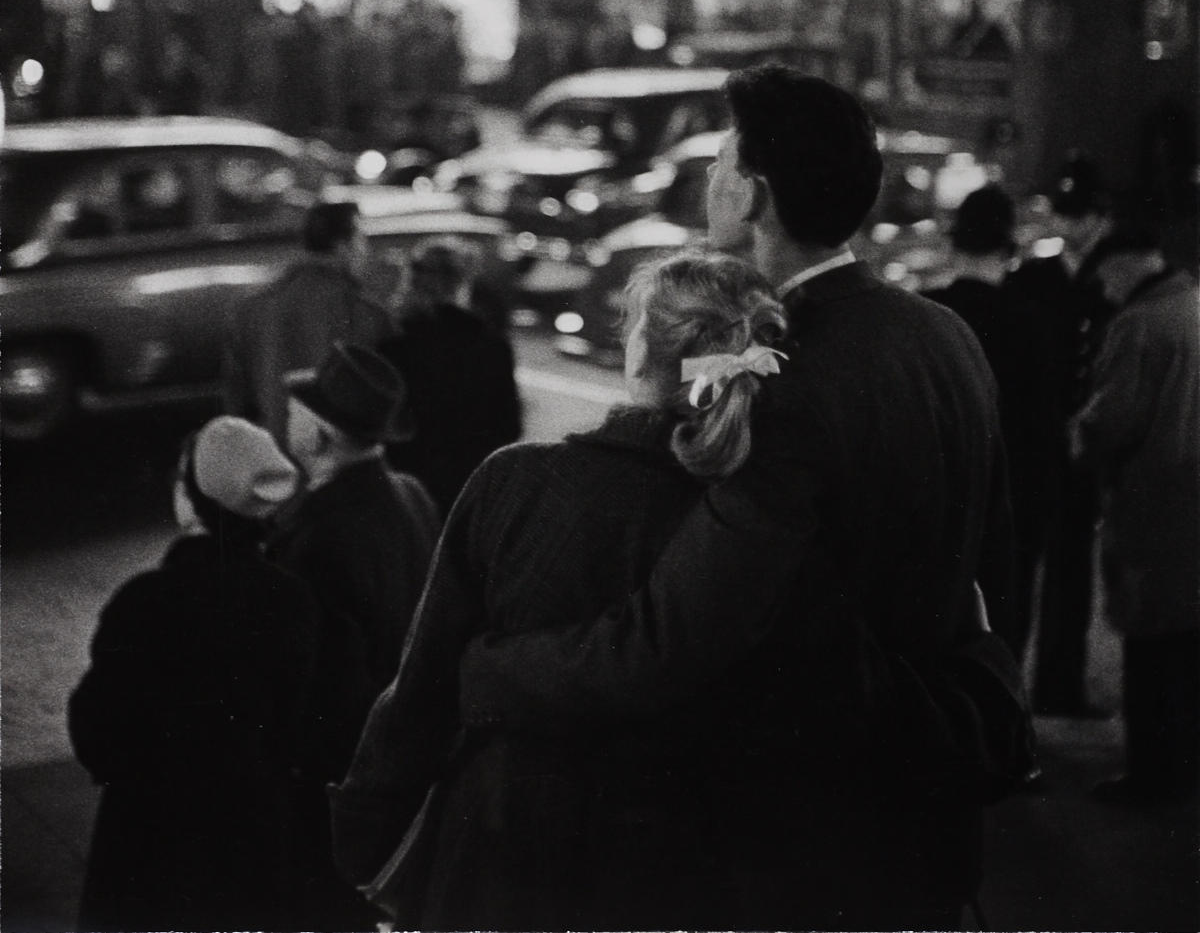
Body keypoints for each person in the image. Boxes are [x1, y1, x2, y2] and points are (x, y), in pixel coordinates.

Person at [453, 65, 1019, 929]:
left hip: (807, 843)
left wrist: (490, 671)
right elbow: (996, 570)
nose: (711, 177)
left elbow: (670, 638)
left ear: (751, 194)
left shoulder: (772, 385)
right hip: (935, 824)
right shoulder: (946, 335)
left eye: (721, 160)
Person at [330, 250, 793, 932]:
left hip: (501, 850)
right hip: (676, 862)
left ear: (640, 351)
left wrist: (365, 822)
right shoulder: (746, 516)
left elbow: (424, 683)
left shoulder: (513, 483)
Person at [68, 418, 320, 933]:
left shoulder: (145, 602)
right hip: (254, 838)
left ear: (192, 500)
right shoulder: (291, 600)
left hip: (149, 838)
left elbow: (95, 726)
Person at [270, 339, 441, 929]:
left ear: (318, 437)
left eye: (296, 411)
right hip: (399, 763)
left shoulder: (317, 536)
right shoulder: (412, 497)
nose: (285, 417)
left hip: (333, 784)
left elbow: (313, 682)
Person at [1073, 221, 1199, 805]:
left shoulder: (1138, 324)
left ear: (1125, 264)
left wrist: (1076, 436)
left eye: (1103, 276)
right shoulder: (1194, 306)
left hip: (1154, 507)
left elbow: (1112, 421)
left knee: (1149, 649)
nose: (1101, 290)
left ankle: (1151, 777)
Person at [926, 185, 1057, 653]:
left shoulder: (923, 314)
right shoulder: (1032, 326)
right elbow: (1043, 433)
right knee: (997, 643)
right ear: (1010, 250)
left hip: (927, 505)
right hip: (1007, 507)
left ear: (953, 243)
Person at [1009, 151, 1114, 715]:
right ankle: (1011, 686)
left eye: (1080, 215)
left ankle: (1059, 685)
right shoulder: (1033, 278)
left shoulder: (1110, 277)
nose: (1069, 226)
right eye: (1064, 213)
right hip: (1036, 442)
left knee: (1072, 571)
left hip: (1081, 443)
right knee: (1020, 571)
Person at [223, 199, 390, 447]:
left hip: (276, 456)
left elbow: (236, 401)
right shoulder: (362, 312)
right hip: (337, 460)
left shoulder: (252, 309)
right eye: (361, 239)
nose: (365, 251)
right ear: (343, 246)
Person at [382, 237, 523, 512]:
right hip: (467, 489)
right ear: (463, 284)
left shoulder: (393, 346)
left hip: (404, 490)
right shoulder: (492, 347)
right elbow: (509, 427)